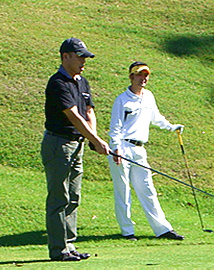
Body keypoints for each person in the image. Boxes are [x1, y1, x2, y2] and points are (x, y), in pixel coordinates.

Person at [41, 37, 110, 261]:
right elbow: (73, 115)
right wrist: (95, 140)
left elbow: (89, 112)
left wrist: (93, 138)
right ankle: (58, 250)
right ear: (66, 56)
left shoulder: (82, 81)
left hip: (76, 144)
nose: (84, 61)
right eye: (80, 56)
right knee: (59, 197)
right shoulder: (58, 82)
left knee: (73, 197)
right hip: (58, 144)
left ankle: (69, 246)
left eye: (85, 57)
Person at [108, 61, 185, 241]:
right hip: (122, 148)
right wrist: (116, 148)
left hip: (139, 149)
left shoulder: (148, 96)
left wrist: (172, 127)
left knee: (147, 189)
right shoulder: (122, 99)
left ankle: (163, 229)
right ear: (131, 77)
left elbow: (156, 118)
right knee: (123, 191)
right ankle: (128, 232)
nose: (143, 78)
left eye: (146, 75)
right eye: (139, 75)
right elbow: (115, 127)